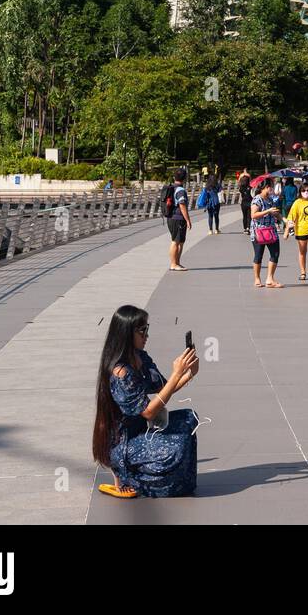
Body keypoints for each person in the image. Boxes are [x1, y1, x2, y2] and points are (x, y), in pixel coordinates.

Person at [92, 305, 199, 498]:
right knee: (175, 448)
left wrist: (188, 373)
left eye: (147, 329)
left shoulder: (140, 356)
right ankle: (128, 475)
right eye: (142, 331)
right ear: (126, 334)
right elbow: (148, 411)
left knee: (189, 420)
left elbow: (163, 388)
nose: (146, 335)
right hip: (124, 443)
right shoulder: (120, 373)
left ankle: (177, 482)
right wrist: (176, 374)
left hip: (143, 430)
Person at [250, 181, 283, 289]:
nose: (272, 190)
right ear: (266, 188)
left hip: (271, 230)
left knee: (275, 254)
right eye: (271, 188)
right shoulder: (257, 199)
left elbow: (275, 213)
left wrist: (284, 220)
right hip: (259, 231)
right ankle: (257, 278)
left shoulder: (269, 199)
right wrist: (267, 211)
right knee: (259, 255)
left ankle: (270, 279)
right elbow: (253, 215)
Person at [166, 167, 191, 271]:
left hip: (171, 217)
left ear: (174, 177)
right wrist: (188, 219)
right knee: (175, 241)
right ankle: (173, 264)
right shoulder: (180, 190)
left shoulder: (172, 188)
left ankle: (177, 263)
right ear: (185, 178)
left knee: (180, 241)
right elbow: (182, 205)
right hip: (178, 218)